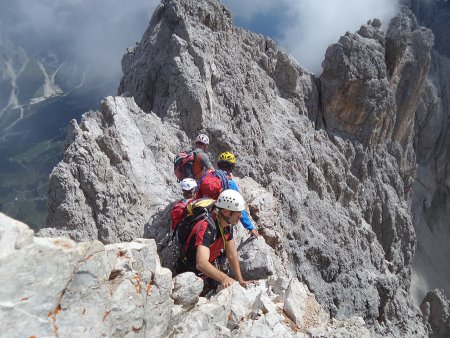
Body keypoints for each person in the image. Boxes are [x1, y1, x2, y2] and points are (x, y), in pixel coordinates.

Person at [176, 189, 252, 289]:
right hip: (189, 273)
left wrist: (240, 280)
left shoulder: (227, 226)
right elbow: (201, 263)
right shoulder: (207, 227)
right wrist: (224, 278)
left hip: (208, 270)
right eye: (238, 213)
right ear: (225, 211)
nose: (241, 216)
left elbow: (231, 253)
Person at [215, 151, 260, 237]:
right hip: (222, 219)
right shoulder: (229, 183)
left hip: (206, 216)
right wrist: (250, 227)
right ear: (231, 167)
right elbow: (239, 207)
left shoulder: (209, 175)